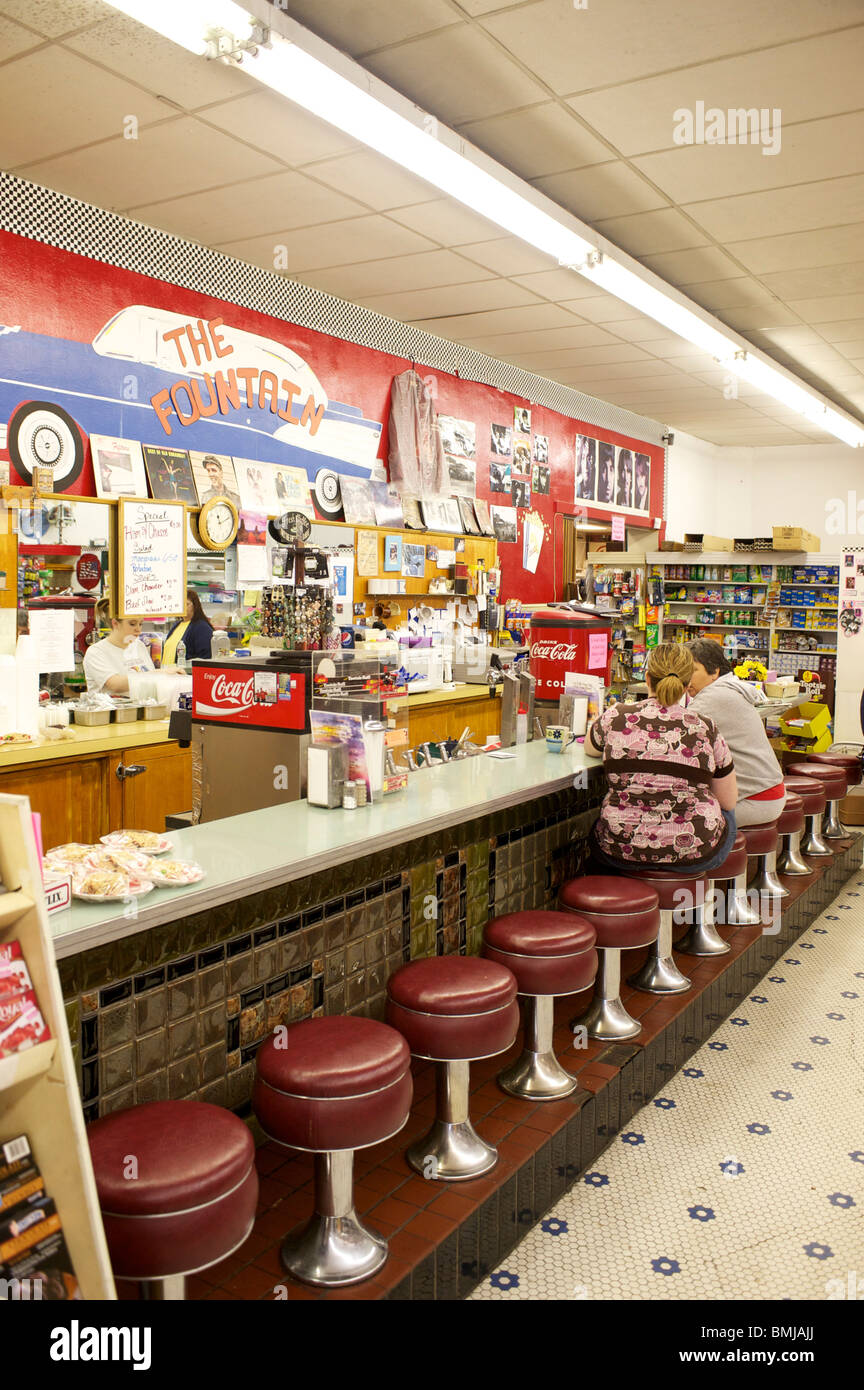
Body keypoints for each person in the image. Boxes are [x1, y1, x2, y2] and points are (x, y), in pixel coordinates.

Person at [584, 642, 738, 873]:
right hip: (694, 852)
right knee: (727, 813)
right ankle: (695, 906)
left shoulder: (616, 715)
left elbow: (590, 748)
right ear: (687, 685)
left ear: (647, 678)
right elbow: (728, 801)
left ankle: (629, 895)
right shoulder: (706, 727)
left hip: (619, 850)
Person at [686, 639, 787, 827]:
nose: (685, 678)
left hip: (755, 799)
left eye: (692, 670)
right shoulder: (729, 689)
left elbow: (677, 732)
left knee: (682, 823)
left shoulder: (712, 697)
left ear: (715, 671)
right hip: (767, 791)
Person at [83, 600, 155, 695]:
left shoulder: (139, 645)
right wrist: (160, 674)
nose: (138, 629)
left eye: (140, 624)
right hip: (111, 709)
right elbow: (116, 685)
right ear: (115, 623)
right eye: (132, 624)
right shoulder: (96, 652)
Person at [163, 590, 214, 665]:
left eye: (186, 604)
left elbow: (205, 658)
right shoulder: (177, 624)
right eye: (180, 605)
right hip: (168, 673)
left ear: (195, 606)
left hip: (184, 675)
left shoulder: (201, 627)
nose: (183, 608)